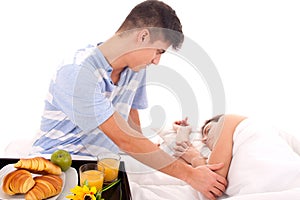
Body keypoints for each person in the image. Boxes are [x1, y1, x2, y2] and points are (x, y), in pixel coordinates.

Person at [30, 1, 227, 199]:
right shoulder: (77, 72)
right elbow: (125, 140)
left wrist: (155, 151)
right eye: (159, 51)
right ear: (143, 36)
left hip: (104, 168)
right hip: (60, 167)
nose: (157, 61)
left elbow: (132, 127)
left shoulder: (135, 69)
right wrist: (190, 176)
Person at [174, 114, 300, 197]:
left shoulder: (231, 120)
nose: (205, 139)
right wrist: (182, 131)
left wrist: (195, 158)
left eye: (207, 130)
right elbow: (182, 149)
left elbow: (211, 184)